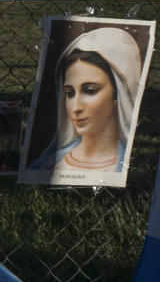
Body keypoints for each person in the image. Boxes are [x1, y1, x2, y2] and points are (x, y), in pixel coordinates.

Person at [29, 27, 142, 174]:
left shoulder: (132, 173)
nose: (76, 107)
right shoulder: (42, 167)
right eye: (69, 93)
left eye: (90, 90)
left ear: (117, 94)